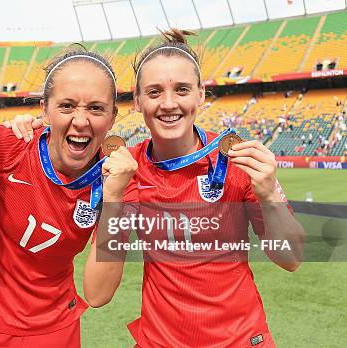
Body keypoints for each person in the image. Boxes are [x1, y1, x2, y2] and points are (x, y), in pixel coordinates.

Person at [82, 29, 305, 347]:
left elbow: (292, 258)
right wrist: (114, 198)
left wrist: (269, 195)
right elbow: (96, 294)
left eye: (182, 89)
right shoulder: (127, 168)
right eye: (155, 92)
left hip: (240, 340)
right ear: (138, 101)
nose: (169, 103)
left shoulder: (234, 159)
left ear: (200, 94)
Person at [0, 49, 134, 347]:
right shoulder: (8, 145)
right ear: (45, 110)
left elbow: (98, 294)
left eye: (97, 109)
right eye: (66, 106)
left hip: (55, 332)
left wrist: (114, 200)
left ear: (113, 117)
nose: (81, 120)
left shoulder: (118, 179)